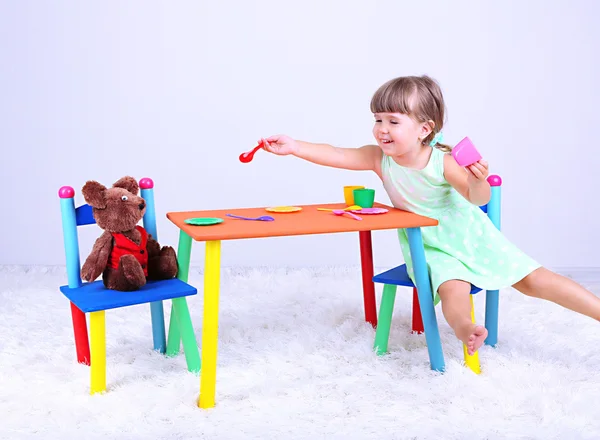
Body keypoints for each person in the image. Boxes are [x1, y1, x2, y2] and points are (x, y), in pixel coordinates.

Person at [260, 75, 600, 356]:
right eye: (378, 119)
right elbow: (335, 153)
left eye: (393, 121)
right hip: (429, 246)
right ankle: (467, 329)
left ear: (424, 129)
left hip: (469, 235)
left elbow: (475, 196)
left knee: (532, 280)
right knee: (453, 289)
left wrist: (478, 179)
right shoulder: (380, 158)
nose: (382, 129)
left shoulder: (442, 161)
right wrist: (295, 147)